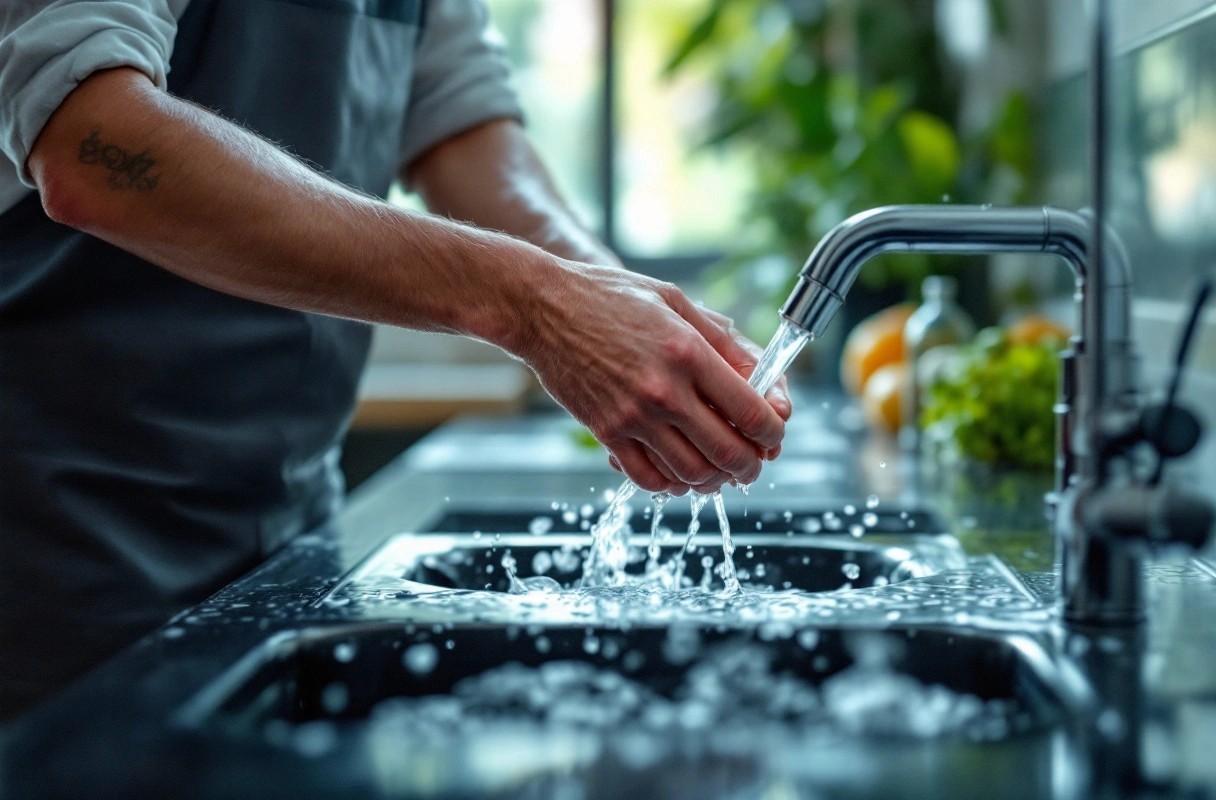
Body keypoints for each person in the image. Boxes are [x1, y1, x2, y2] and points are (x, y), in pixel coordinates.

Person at [0, 0, 790, 720]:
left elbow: (464, 130)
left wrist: (625, 307)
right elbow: (90, 141)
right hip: (50, 574)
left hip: (283, 542)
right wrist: (540, 306)